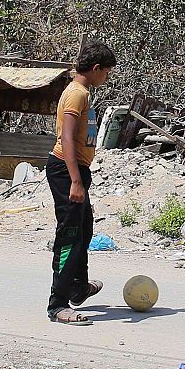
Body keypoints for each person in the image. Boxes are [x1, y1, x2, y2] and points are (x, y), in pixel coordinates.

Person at [45, 42, 115, 325]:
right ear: (96, 69)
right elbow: (67, 140)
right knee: (70, 236)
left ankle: (77, 286)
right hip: (66, 170)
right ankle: (58, 304)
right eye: (107, 72)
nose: (107, 78)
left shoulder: (81, 93)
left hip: (75, 170)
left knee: (84, 229)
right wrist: (75, 180)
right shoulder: (76, 94)